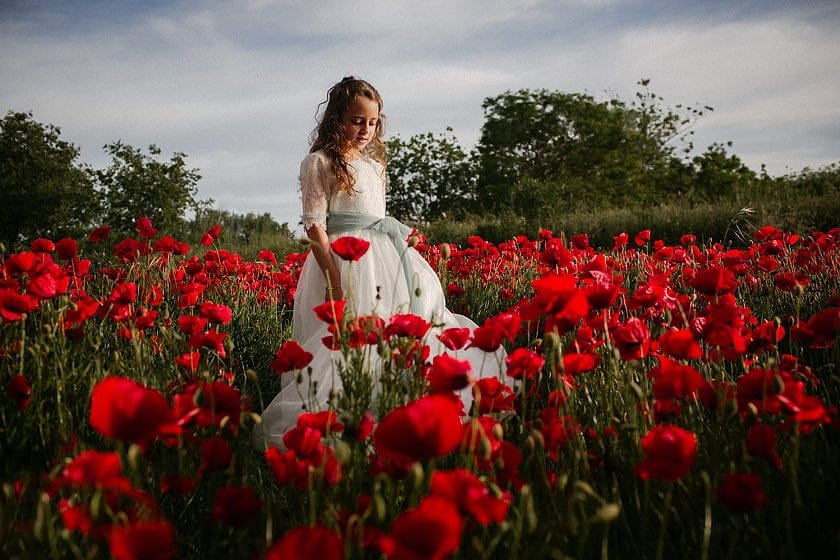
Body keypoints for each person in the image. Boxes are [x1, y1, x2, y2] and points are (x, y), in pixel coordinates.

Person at [252, 77, 503, 450]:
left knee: (396, 332)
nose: (365, 129)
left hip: (385, 258)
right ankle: (347, 417)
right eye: (356, 120)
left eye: (372, 122)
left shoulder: (374, 165)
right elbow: (315, 229)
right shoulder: (319, 162)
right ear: (337, 118)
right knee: (351, 339)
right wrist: (335, 280)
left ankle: (401, 412)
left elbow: (374, 216)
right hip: (344, 260)